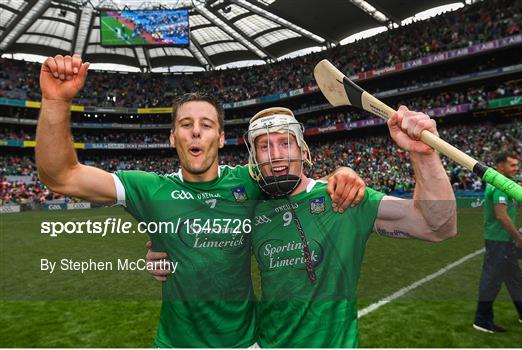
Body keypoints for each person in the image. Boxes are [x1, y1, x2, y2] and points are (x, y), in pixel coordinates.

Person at [36, 54, 364, 347]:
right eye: (185, 124)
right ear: (172, 137)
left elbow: (292, 175)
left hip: (244, 342)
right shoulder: (148, 189)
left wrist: (342, 172)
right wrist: (54, 101)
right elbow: (61, 176)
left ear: (220, 137)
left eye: (206, 125)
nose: (195, 132)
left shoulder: (249, 182)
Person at [148, 106, 458, 347]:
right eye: (265, 146)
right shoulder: (250, 210)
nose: (277, 155)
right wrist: (161, 253)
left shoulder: (343, 197)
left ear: (302, 149)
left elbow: (436, 226)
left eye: (285, 143)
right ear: (253, 158)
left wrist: (424, 155)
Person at [473, 152, 522, 333]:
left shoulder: (504, 184)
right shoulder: (500, 186)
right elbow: (502, 217)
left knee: (514, 278)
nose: (516, 169)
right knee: (491, 280)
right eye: (512, 165)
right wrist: (519, 238)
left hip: (503, 240)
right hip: (498, 241)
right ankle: (482, 319)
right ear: (500, 166)